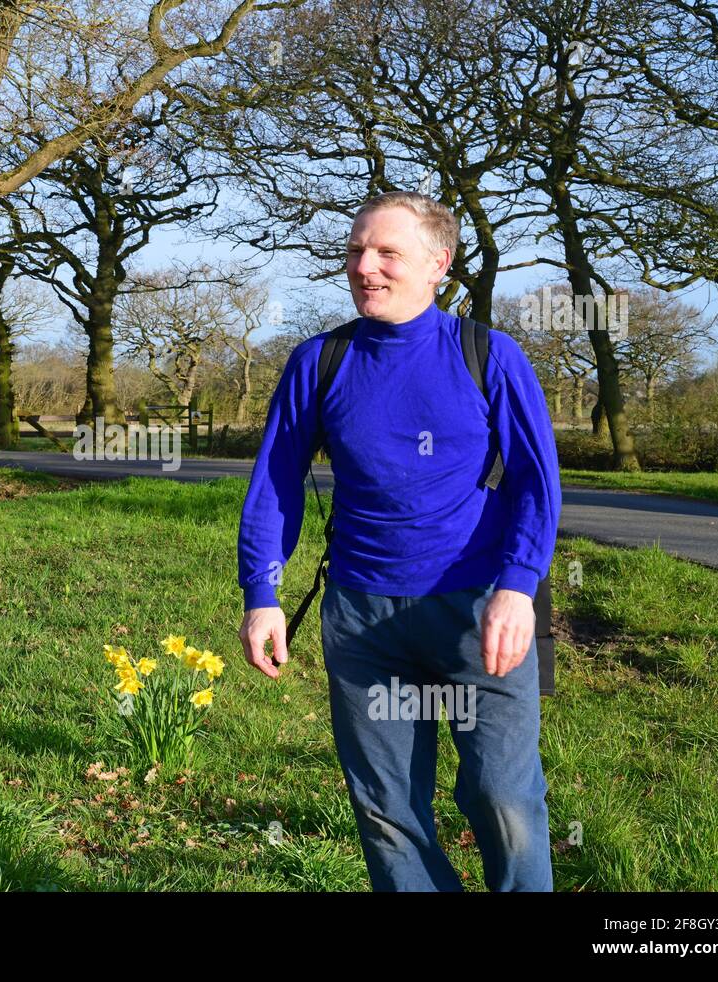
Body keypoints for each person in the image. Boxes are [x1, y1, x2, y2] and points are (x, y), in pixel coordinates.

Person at [236, 191, 561, 892]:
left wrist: (519, 586)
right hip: (362, 618)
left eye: (387, 252)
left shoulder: (489, 356)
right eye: (355, 251)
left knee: (504, 800)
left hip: (478, 613)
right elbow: (276, 484)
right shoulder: (318, 362)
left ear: (439, 263)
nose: (365, 267)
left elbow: (537, 483)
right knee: (386, 812)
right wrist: (261, 594)